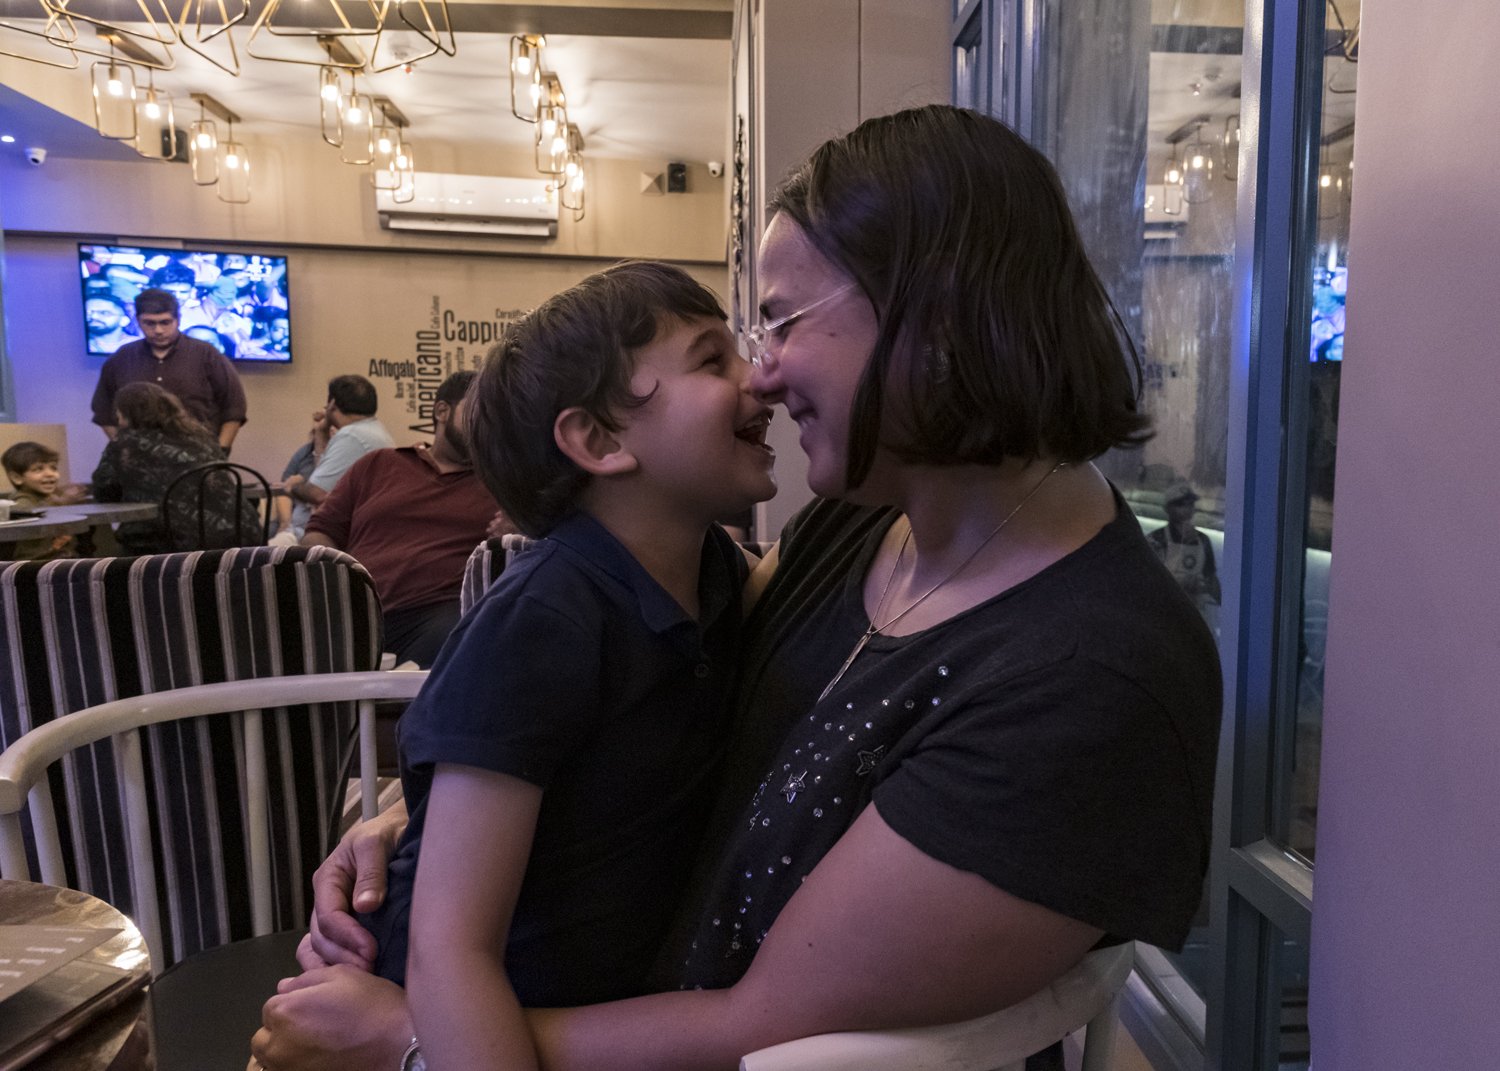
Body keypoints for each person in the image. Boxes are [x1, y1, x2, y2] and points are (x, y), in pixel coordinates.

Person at [253, 105, 1221, 1071]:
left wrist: (408, 1043)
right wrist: (432, 814)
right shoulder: (861, 524)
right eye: (733, 347)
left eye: (778, 322)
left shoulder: (1092, 678)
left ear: (936, 314)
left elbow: (764, 1022)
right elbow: (612, 714)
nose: (764, 375)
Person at [358, 262, 775, 1070]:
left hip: (592, 1011)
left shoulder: (716, 571)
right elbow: (452, 949)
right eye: (712, 359)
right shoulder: (543, 621)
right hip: (474, 1025)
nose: (760, 379)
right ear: (599, 440)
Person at [299, 371, 508, 668]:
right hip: (358, 610)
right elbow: (319, 532)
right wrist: (338, 583)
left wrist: (515, 533)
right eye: (479, 411)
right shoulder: (379, 464)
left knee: (464, 630)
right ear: (441, 411)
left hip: (440, 613)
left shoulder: (499, 483)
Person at [91, 382, 260, 554]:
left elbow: (104, 491)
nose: (118, 420)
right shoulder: (201, 437)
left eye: (118, 414)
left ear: (126, 413)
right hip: (242, 539)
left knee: (112, 557)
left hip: (174, 548)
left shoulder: (125, 444)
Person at [91, 288, 248, 453]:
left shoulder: (207, 355)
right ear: (138, 321)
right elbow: (103, 411)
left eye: (165, 322)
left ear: (177, 320)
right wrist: (123, 449)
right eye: (149, 323)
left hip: (198, 455)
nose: (158, 330)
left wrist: (221, 451)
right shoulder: (122, 358)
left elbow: (234, 408)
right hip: (140, 459)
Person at [270, 375, 394, 546]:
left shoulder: (352, 435)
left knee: (263, 558)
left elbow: (318, 494)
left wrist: (291, 487)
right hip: (355, 530)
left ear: (332, 404)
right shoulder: (373, 430)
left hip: (338, 535)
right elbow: (323, 480)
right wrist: (321, 434)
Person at [1147, 480, 1222, 625]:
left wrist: (1225, 605)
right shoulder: (1155, 540)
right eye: (1181, 504)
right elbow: (1147, 581)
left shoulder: (1203, 540)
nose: (1187, 509)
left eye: (1190, 504)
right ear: (1168, 508)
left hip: (1195, 614)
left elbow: (1210, 578)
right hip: (1162, 615)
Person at [1, 441, 87, 561]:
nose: (50, 474)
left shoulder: (46, 497)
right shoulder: (22, 502)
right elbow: (30, 513)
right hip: (35, 565)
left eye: (53, 468)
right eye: (38, 469)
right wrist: (62, 503)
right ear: (17, 478)